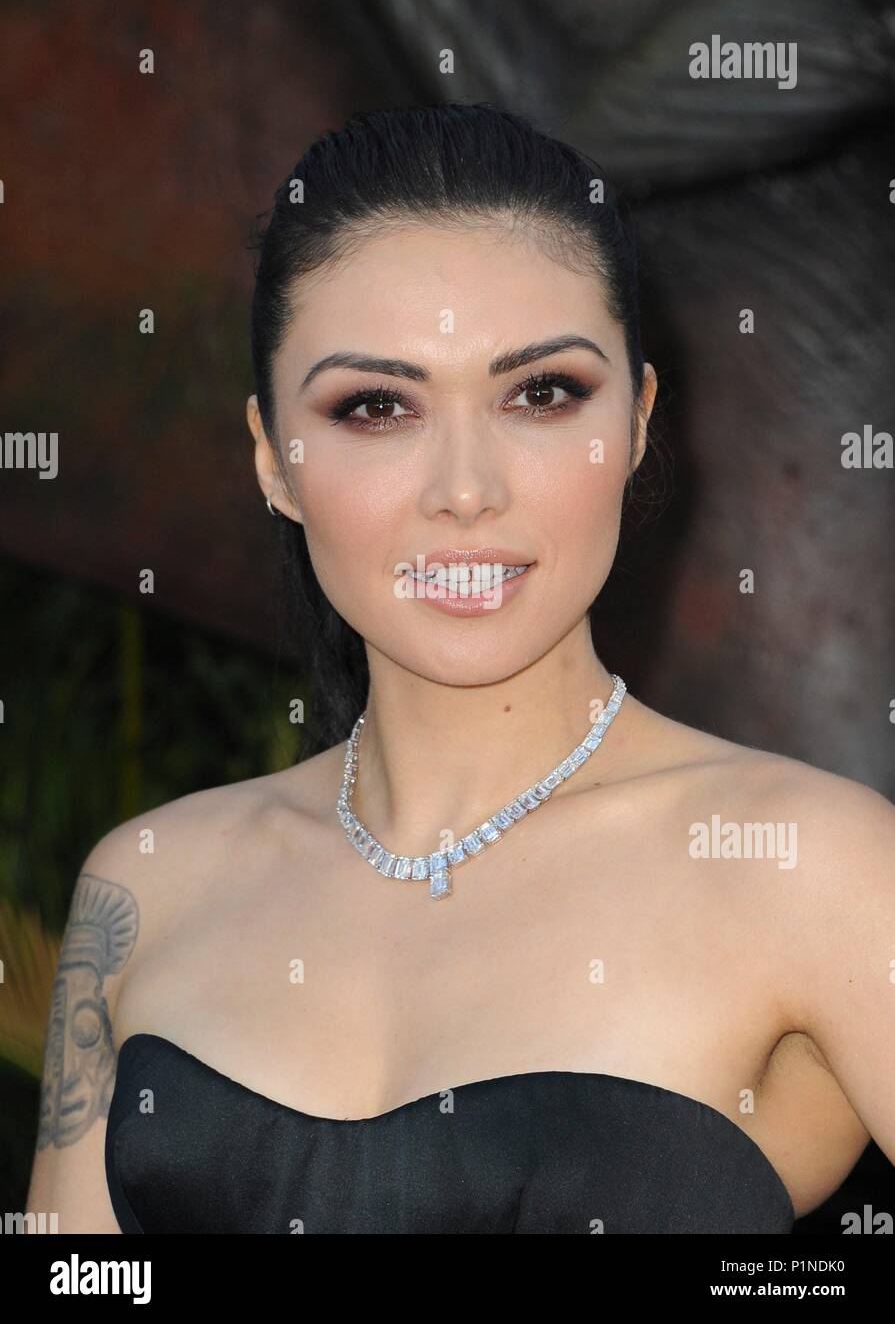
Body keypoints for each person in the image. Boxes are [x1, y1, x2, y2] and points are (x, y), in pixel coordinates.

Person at [25, 102, 895, 1234]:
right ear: (272, 460)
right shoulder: (148, 884)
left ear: (633, 424)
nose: (465, 487)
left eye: (540, 393)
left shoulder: (812, 866)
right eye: (375, 407)